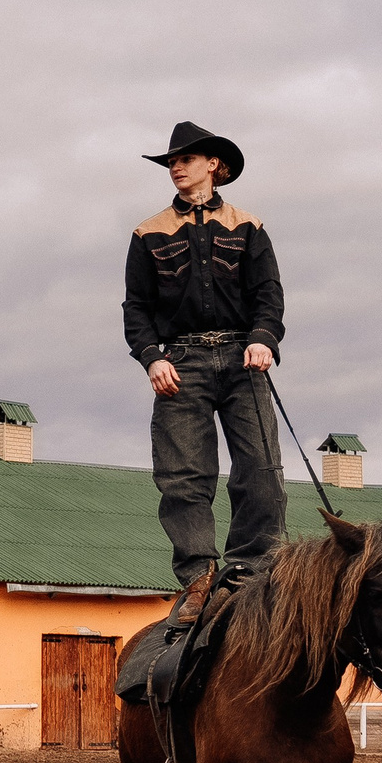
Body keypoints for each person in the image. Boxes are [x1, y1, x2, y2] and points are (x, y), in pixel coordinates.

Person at [121, 121, 287, 589]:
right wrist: (151, 357)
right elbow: (136, 307)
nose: (176, 167)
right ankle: (198, 577)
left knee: (261, 471)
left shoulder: (248, 225)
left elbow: (269, 294)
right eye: (171, 161)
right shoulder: (148, 232)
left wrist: (263, 338)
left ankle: (250, 572)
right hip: (180, 361)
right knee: (183, 478)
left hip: (243, 357)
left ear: (213, 164)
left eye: (186, 159)